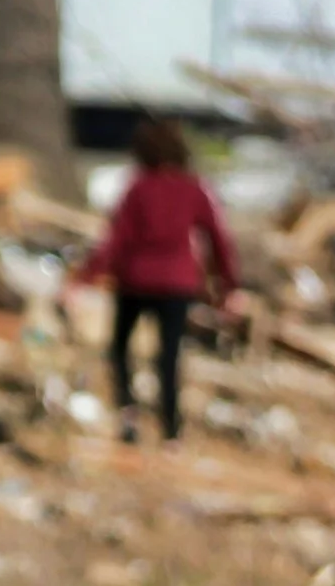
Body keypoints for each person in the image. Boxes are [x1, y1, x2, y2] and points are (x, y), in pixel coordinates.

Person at [81, 117, 239, 446]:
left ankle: (128, 411)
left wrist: (87, 275)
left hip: (135, 281)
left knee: (120, 349)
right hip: (177, 284)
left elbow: (116, 238)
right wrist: (228, 286)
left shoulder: (139, 187)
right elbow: (218, 239)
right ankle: (171, 430)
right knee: (169, 357)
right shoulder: (194, 187)